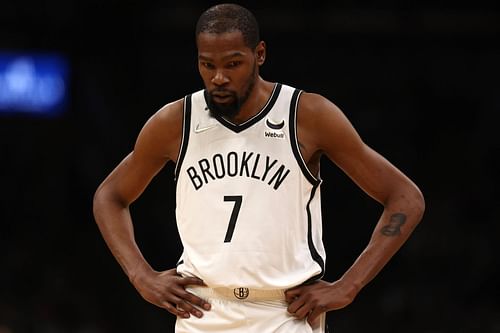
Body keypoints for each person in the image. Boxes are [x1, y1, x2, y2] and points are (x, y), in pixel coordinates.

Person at [92, 3, 425, 333]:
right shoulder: (175, 122)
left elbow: (404, 198)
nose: (219, 77)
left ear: (260, 54)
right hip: (202, 311)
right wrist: (140, 275)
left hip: (284, 313)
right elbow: (110, 195)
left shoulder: (306, 115)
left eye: (233, 64)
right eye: (207, 65)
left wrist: (348, 286)